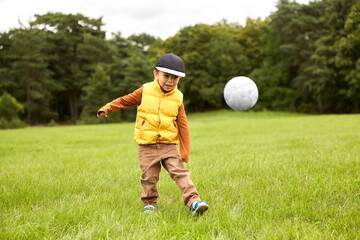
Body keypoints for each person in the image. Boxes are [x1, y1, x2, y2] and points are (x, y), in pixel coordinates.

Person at [97, 53, 208, 215]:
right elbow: (124, 100)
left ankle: (194, 202)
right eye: (166, 76)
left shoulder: (178, 97)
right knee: (149, 177)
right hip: (147, 145)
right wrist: (107, 107)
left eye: (175, 78)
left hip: (169, 145)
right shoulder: (145, 90)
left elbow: (183, 125)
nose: (170, 81)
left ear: (179, 79)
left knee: (180, 173)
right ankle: (149, 203)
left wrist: (184, 151)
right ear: (156, 73)